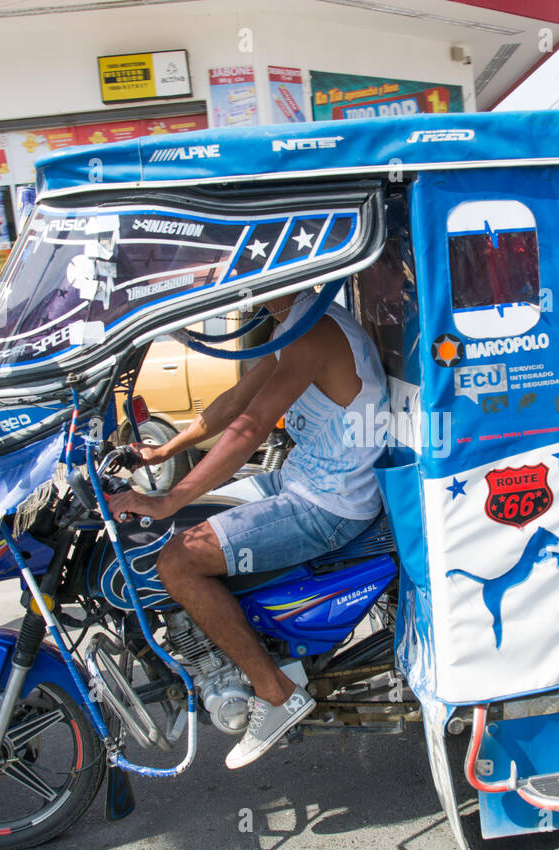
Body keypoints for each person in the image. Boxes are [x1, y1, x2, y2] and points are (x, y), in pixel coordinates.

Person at [106, 288, 388, 769]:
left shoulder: (312, 331)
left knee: (178, 559)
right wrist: (163, 451)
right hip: (303, 479)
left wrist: (170, 497)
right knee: (186, 526)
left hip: (331, 502)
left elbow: (251, 426)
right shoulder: (292, 326)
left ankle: (275, 693)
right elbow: (237, 400)